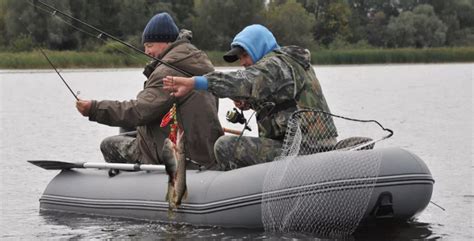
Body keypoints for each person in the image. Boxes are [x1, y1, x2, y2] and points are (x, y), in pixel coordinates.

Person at [163, 24, 338, 171]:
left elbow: (244, 80)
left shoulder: (274, 64)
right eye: (240, 58)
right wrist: (249, 103)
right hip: (313, 145)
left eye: (245, 55)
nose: (243, 62)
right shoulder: (288, 62)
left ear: (260, 47)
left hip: (303, 150)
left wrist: (196, 82)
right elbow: (281, 99)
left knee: (225, 146)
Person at [76, 12, 223, 169]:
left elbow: (139, 111)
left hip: (182, 155)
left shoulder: (167, 72)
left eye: (149, 45)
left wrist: (94, 108)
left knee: (109, 144)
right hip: (203, 149)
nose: (146, 52)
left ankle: (133, 188)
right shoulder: (198, 62)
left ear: (166, 42)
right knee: (129, 127)